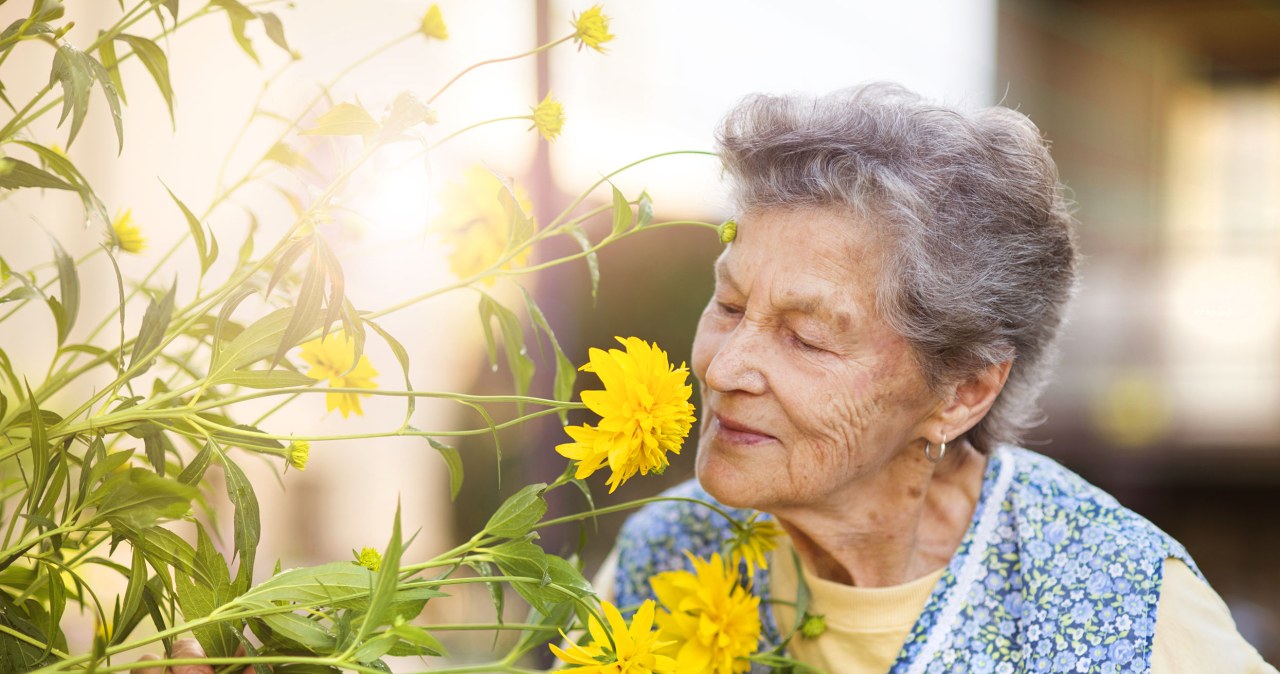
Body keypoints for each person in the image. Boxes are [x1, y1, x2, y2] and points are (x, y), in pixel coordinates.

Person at [597, 83, 1276, 673]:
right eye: (729, 305)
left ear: (964, 393)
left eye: (806, 339)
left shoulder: (1122, 603)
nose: (722, 366)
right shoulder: (666, 550)